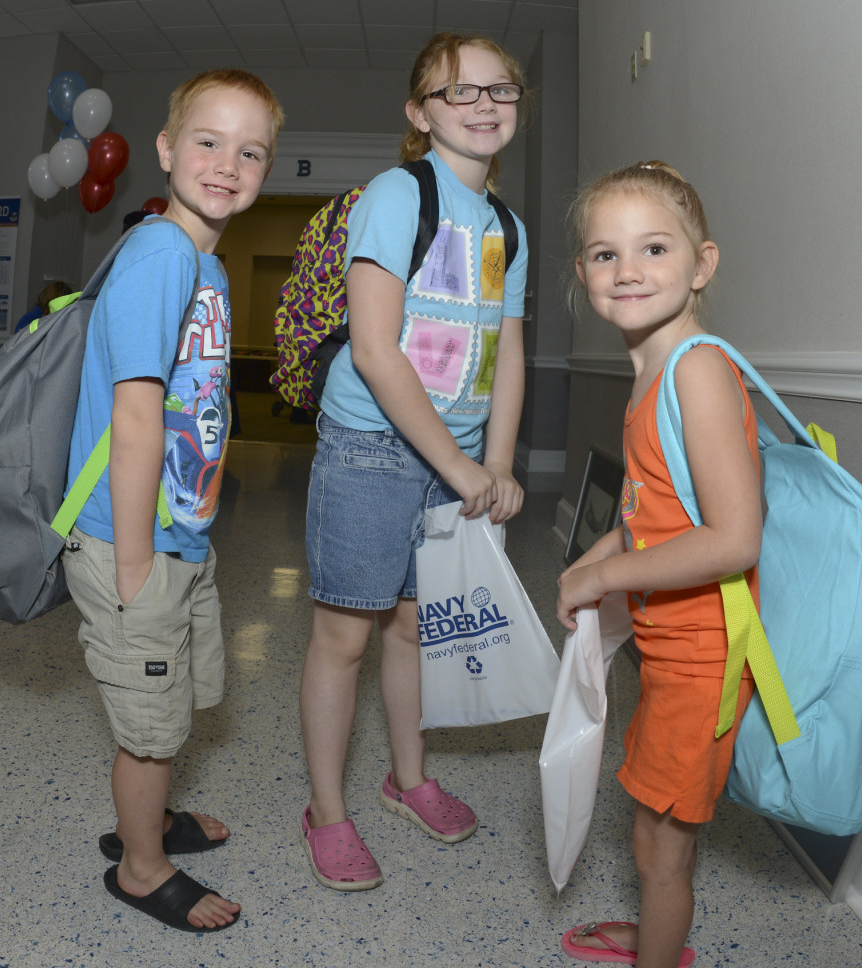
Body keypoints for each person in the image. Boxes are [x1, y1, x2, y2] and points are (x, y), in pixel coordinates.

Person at [298, 32, 529, 892]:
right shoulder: (399, 194)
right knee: (344, 637)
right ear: (418, 112)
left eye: (499, 90)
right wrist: (464, 470)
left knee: (414, 634)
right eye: (458, 91)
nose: (481, 104)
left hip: (456, 463)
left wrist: (495, 459)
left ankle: (408, 778)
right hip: (370, 453)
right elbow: (374, 349)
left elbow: (507, 349)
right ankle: (326, 812)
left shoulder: (508, 225)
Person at [59, 69, 283, 932]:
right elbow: (139, 411)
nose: (228, 163)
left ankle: (150, 820)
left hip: (176, 531)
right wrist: (132, 564)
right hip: (134, 539)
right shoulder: (160, 253)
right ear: (165, 149)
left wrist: (181, 536)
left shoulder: (205, 266)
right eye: (207, 141)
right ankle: (142, 869)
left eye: (250, 150)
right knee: (147, 725)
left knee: (173, 700)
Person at [555, 161, 763, 968]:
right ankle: (655, 931)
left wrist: (605, 577)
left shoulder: (697, 371)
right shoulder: (654, 371)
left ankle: (660, 947)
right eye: (604, 255)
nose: (628, 270)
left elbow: (734, 539)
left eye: (653, 248)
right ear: (583, 275)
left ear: (701, 264)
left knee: (661, 847)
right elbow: (654, 516)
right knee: (649, 822)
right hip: (671, 648)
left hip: (703, 655)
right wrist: (597, 559)